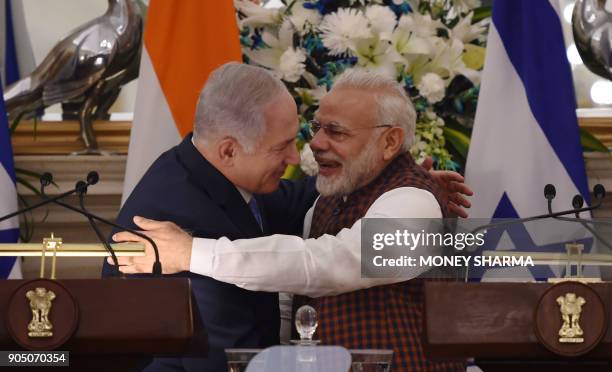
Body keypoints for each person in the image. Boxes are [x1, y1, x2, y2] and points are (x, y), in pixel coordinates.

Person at [112, 69, 468, 371]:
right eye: (317, 127)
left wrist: (192, 253)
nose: (312, 145)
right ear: (228, 150)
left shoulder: (414, 204)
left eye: (336, 132)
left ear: (390, 142)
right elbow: (292, 298)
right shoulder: (328, 199)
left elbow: (332, 262)